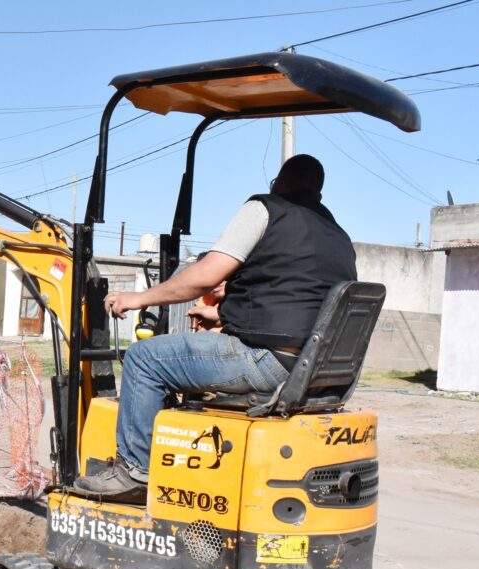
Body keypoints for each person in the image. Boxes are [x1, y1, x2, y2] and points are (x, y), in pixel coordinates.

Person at [75, 154, 356, 502]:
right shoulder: (337, 236)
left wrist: (140, 298)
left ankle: (133, 472)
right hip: (313, 370)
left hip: (268, 362)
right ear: (319, 195)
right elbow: (297, 297)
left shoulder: (264, 209)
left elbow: (206, 275)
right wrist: (224, 317)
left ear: (278, 183)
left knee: (143, 358)